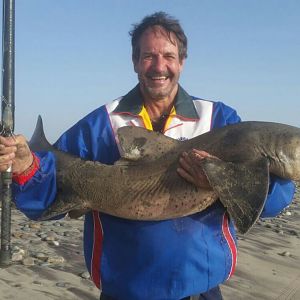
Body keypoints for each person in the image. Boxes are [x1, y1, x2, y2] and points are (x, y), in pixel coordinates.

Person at [0, 12, 295, 300]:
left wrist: (223, 180)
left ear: (181, 61)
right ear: (134, 62)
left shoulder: (220, 119)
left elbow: (270, 205)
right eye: (148, 56)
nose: (159, 66)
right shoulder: (102, 124)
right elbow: (46, 193)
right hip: (123, 290)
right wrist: (26, 166)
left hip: (201, 289)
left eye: (168, 56)